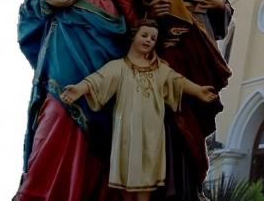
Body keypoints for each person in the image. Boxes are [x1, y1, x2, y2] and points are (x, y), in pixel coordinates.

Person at [16, 0, 137, 201]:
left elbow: (124, 2)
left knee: (97, 114)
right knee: (56, 110)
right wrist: (50, 2)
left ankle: (84, 191)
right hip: (64, 44)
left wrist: (141, 35)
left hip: (103, 45)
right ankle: (38, 192)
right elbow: (31, 2)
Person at [129, 0, 233, 200]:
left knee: (194, 118)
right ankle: (160, 187)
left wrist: (217, 4)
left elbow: (224, 17)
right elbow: (129, 15)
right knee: (164, 117)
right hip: (164, 54)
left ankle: (191, 187)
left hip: (199, 54)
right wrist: (149, 11)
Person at [60, 19, 219, 201]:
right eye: (144, 35)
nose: (148, 40)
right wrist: (79, 89)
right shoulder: (119, 66)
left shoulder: (159, 69)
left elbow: (177, 81)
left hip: (152, 134)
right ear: (133, 36)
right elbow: (97, 80)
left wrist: (198, 90)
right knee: (126, 174)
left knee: (147, 177)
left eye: (153, 38)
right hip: (126, 132)